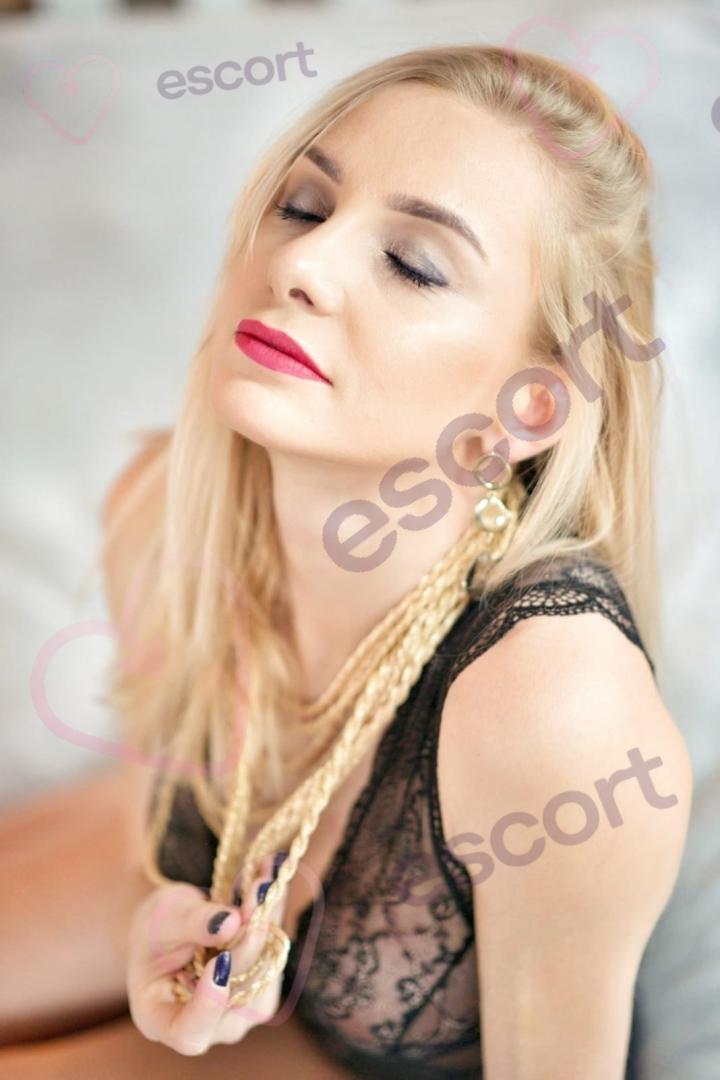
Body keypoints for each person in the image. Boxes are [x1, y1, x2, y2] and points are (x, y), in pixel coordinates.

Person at [0, 42, 693, 1079]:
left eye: (413, 264)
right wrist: (162, 926)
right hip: (265, 999)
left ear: (527, 407)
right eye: (303, 207)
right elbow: (164, 812)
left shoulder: (555, 709)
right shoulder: (160, 516)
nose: (302, 266)